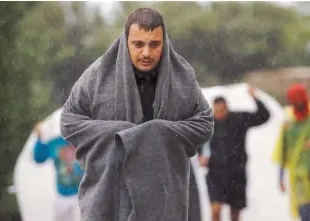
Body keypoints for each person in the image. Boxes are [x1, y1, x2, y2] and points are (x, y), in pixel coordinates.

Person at [60, 8, 214, 221]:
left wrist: (159, 133)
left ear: (164, 42)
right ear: (125, 41)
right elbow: (69, 121)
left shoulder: (182, 78)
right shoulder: (97, 77)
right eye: (138, 44)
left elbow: (205, 122)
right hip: (108, 199)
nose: (146, 53)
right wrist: (117, 134)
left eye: (154, 44)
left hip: (164, 201)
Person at [197, 86, 270, 221]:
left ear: (227, 107)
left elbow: (264, 116)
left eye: (222, 110)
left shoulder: (239, 119)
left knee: (235, 214)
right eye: (216, 111)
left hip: (236, 173)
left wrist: (255, 98)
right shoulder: (208, 123)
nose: (219, 113)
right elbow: (198, 140)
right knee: (215, 209)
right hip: (215, 173)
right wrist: (200, 155)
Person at [33, 122, 84, 221]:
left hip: (83, 195)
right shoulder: (55, 143)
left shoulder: (85, 140)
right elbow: (39, 158)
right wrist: (39, 138)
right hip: (62, 196)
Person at [274, 84, 310, 221]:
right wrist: (280, 176)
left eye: (301, 101)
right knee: (305, 213)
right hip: (299, 178)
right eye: (296, 103)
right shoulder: (289, 123)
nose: (299, 105)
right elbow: (282, 151)